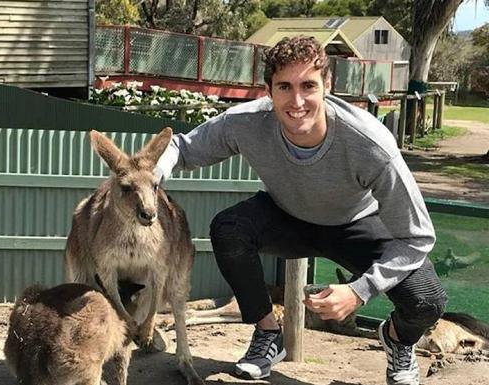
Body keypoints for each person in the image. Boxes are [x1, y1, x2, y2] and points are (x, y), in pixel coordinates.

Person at [155, 36, 447, 385]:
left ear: (328, 85)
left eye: (308, 85)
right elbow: (180, 147)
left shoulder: (370, 144)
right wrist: (151, 175)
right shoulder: (246, 122)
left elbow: (417, 237)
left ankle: (398, 340)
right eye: (284, 87)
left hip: (356, 223)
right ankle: (268, 334)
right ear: (268, 91)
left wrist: (359, 291)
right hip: (287, 217)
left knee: (427, 299)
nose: (296, 101)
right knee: (229, 227)